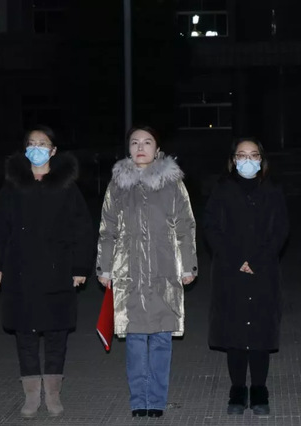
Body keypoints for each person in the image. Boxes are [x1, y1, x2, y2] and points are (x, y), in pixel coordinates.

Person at [0, 125, 94, 418]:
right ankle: (31, 395)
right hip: (20, 271)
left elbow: (82, 228)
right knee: (25, 334)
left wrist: (80, 266)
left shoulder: (66, 187)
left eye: (43, 144)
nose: (37, 148)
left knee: (57, 334)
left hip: (58, 270)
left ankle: (53, 394)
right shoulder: (13, 186)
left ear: (53, 151)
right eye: (31, 143)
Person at [96, 126, 197, 418]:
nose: (141, 147)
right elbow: (107, 229)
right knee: (136, 339)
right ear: (128, 148)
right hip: (129, 273)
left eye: (147, 142)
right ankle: (139, 400)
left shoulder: (172, 183)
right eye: (135, 142)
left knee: (162, 338)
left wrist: (188, 265)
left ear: (157, 148)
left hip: (165, 271)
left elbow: (185, 226)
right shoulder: (118, 184)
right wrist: (105, 267)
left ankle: (157, 400)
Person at [204, 138, 289, 416]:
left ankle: (260, 388)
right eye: (242, 155)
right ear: (233, 160)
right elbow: (211, 228)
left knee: (261, 330)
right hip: (231, 271)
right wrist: (236, 260)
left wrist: (257, 260)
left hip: (263, 271)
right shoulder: (222, 189)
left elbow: (281, 230)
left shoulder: (273, 190)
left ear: (262, 160)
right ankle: (238, 389)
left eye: (253, 155)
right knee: (235, 331)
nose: (248, 160)